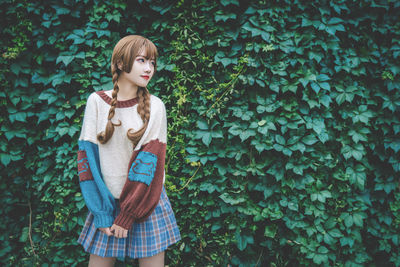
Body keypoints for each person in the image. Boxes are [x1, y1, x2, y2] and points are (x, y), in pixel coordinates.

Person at [76, 35, 181, 267]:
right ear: (121, 63)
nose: (149, 68)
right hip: (106, 202)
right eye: (142, 60)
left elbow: (150, 163)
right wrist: (102, 212)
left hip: (144, 201)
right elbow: (87, 161)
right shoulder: (96, 102)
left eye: (152, 62)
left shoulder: (156, 106)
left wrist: (129, 214)